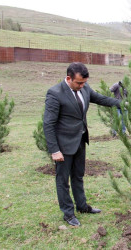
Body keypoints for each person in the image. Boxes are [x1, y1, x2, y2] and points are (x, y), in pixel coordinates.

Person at [43, 62, 121, 226]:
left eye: (84, 82)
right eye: (79, 83)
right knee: (63, 180)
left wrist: (124, 104)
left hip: (80, 140)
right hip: (63, 145)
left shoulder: (84, 88)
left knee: (78, 175)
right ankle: (68, 213)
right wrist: (54, 150)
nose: (82, 85)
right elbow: (48, 124)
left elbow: (101, 99)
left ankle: (82, 206)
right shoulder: (55, 93)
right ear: (68, 78)